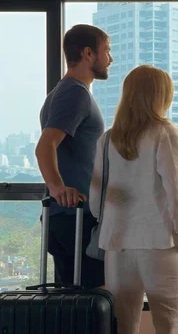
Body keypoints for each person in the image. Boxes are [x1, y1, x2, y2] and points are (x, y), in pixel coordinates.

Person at [89, 65, 178, 334]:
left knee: (122, 326)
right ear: (159, 96)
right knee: (171, 326)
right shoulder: (164, 133)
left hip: (117, 243)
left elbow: (96, 199)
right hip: (160, 242)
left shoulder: (107, 139)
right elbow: (175, 189)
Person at [36, 24, 112, 289]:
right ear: (88, 54)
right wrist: (59, 189)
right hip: (75, 218)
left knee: (73, 308)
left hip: (69, 217)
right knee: (92, 307)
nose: (110, 59)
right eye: (107, 51)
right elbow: (44, 146)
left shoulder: (62, 92)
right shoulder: (74, 94)